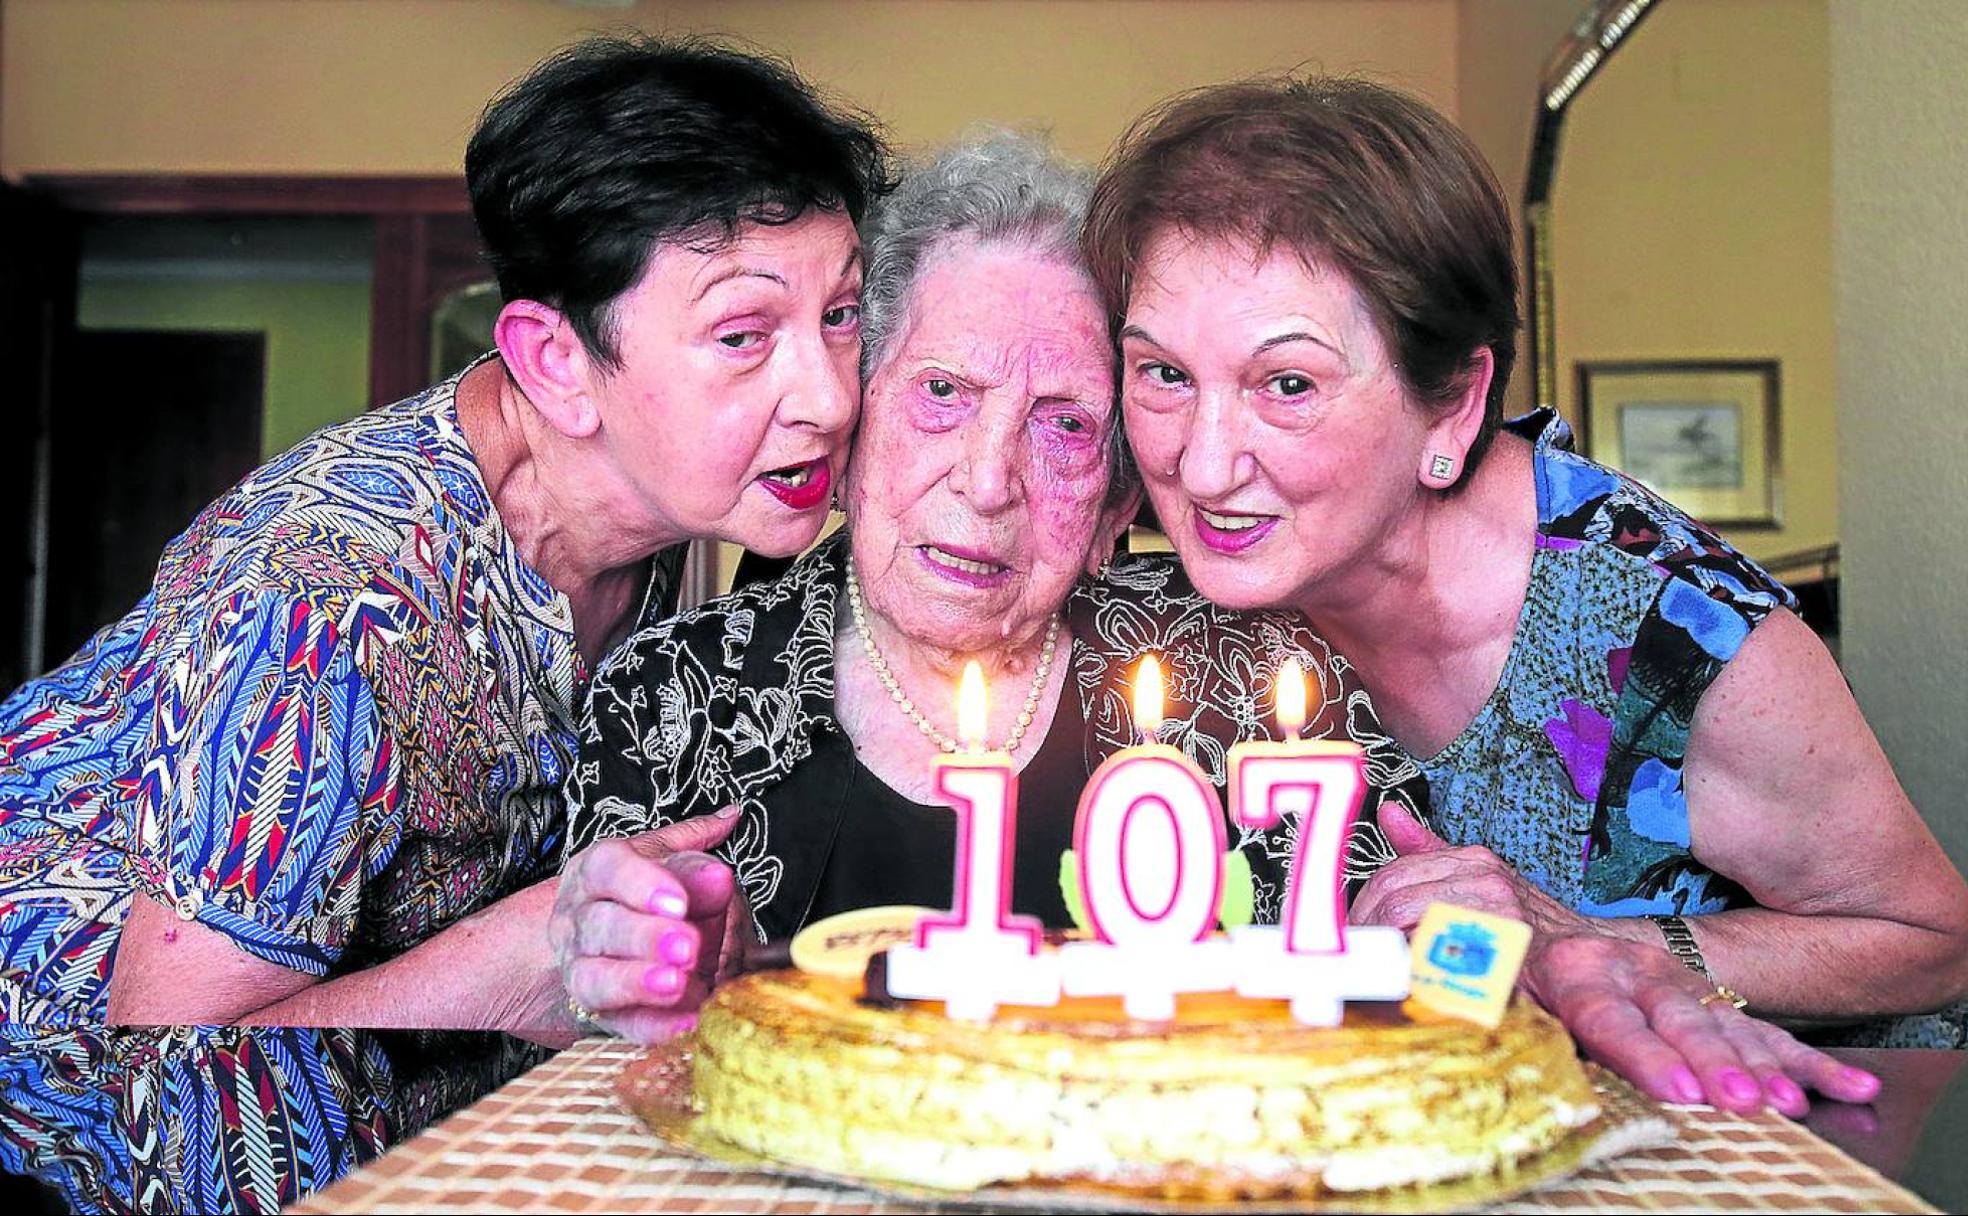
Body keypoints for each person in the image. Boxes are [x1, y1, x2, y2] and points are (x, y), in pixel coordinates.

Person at [0, 35, 889, 1212]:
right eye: (743, 335)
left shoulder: (670, 507)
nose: (830, 394)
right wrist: (519, 961)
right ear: (556, 363)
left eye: (839, 314)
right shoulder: (323, 594)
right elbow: (165, 1077)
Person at [1079, 75, 1968, 1113]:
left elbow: (1932, 943)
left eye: (1289, 385)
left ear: (1453, 405)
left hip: (1792, 1136)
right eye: (1164, 375)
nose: (1204, 463)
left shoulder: (1675, 633)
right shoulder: (1214, 579)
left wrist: (1581, 936)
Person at [547, 133, 1427, 1041]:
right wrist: (629, 967)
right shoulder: (671, 699)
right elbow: (601, 1031)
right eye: (943, 392)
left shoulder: (1252, 671)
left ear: (1117, 499)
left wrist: (1450, 933)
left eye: (1065, 426)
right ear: (852, 427)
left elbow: (1412, 953)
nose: (988, 479)